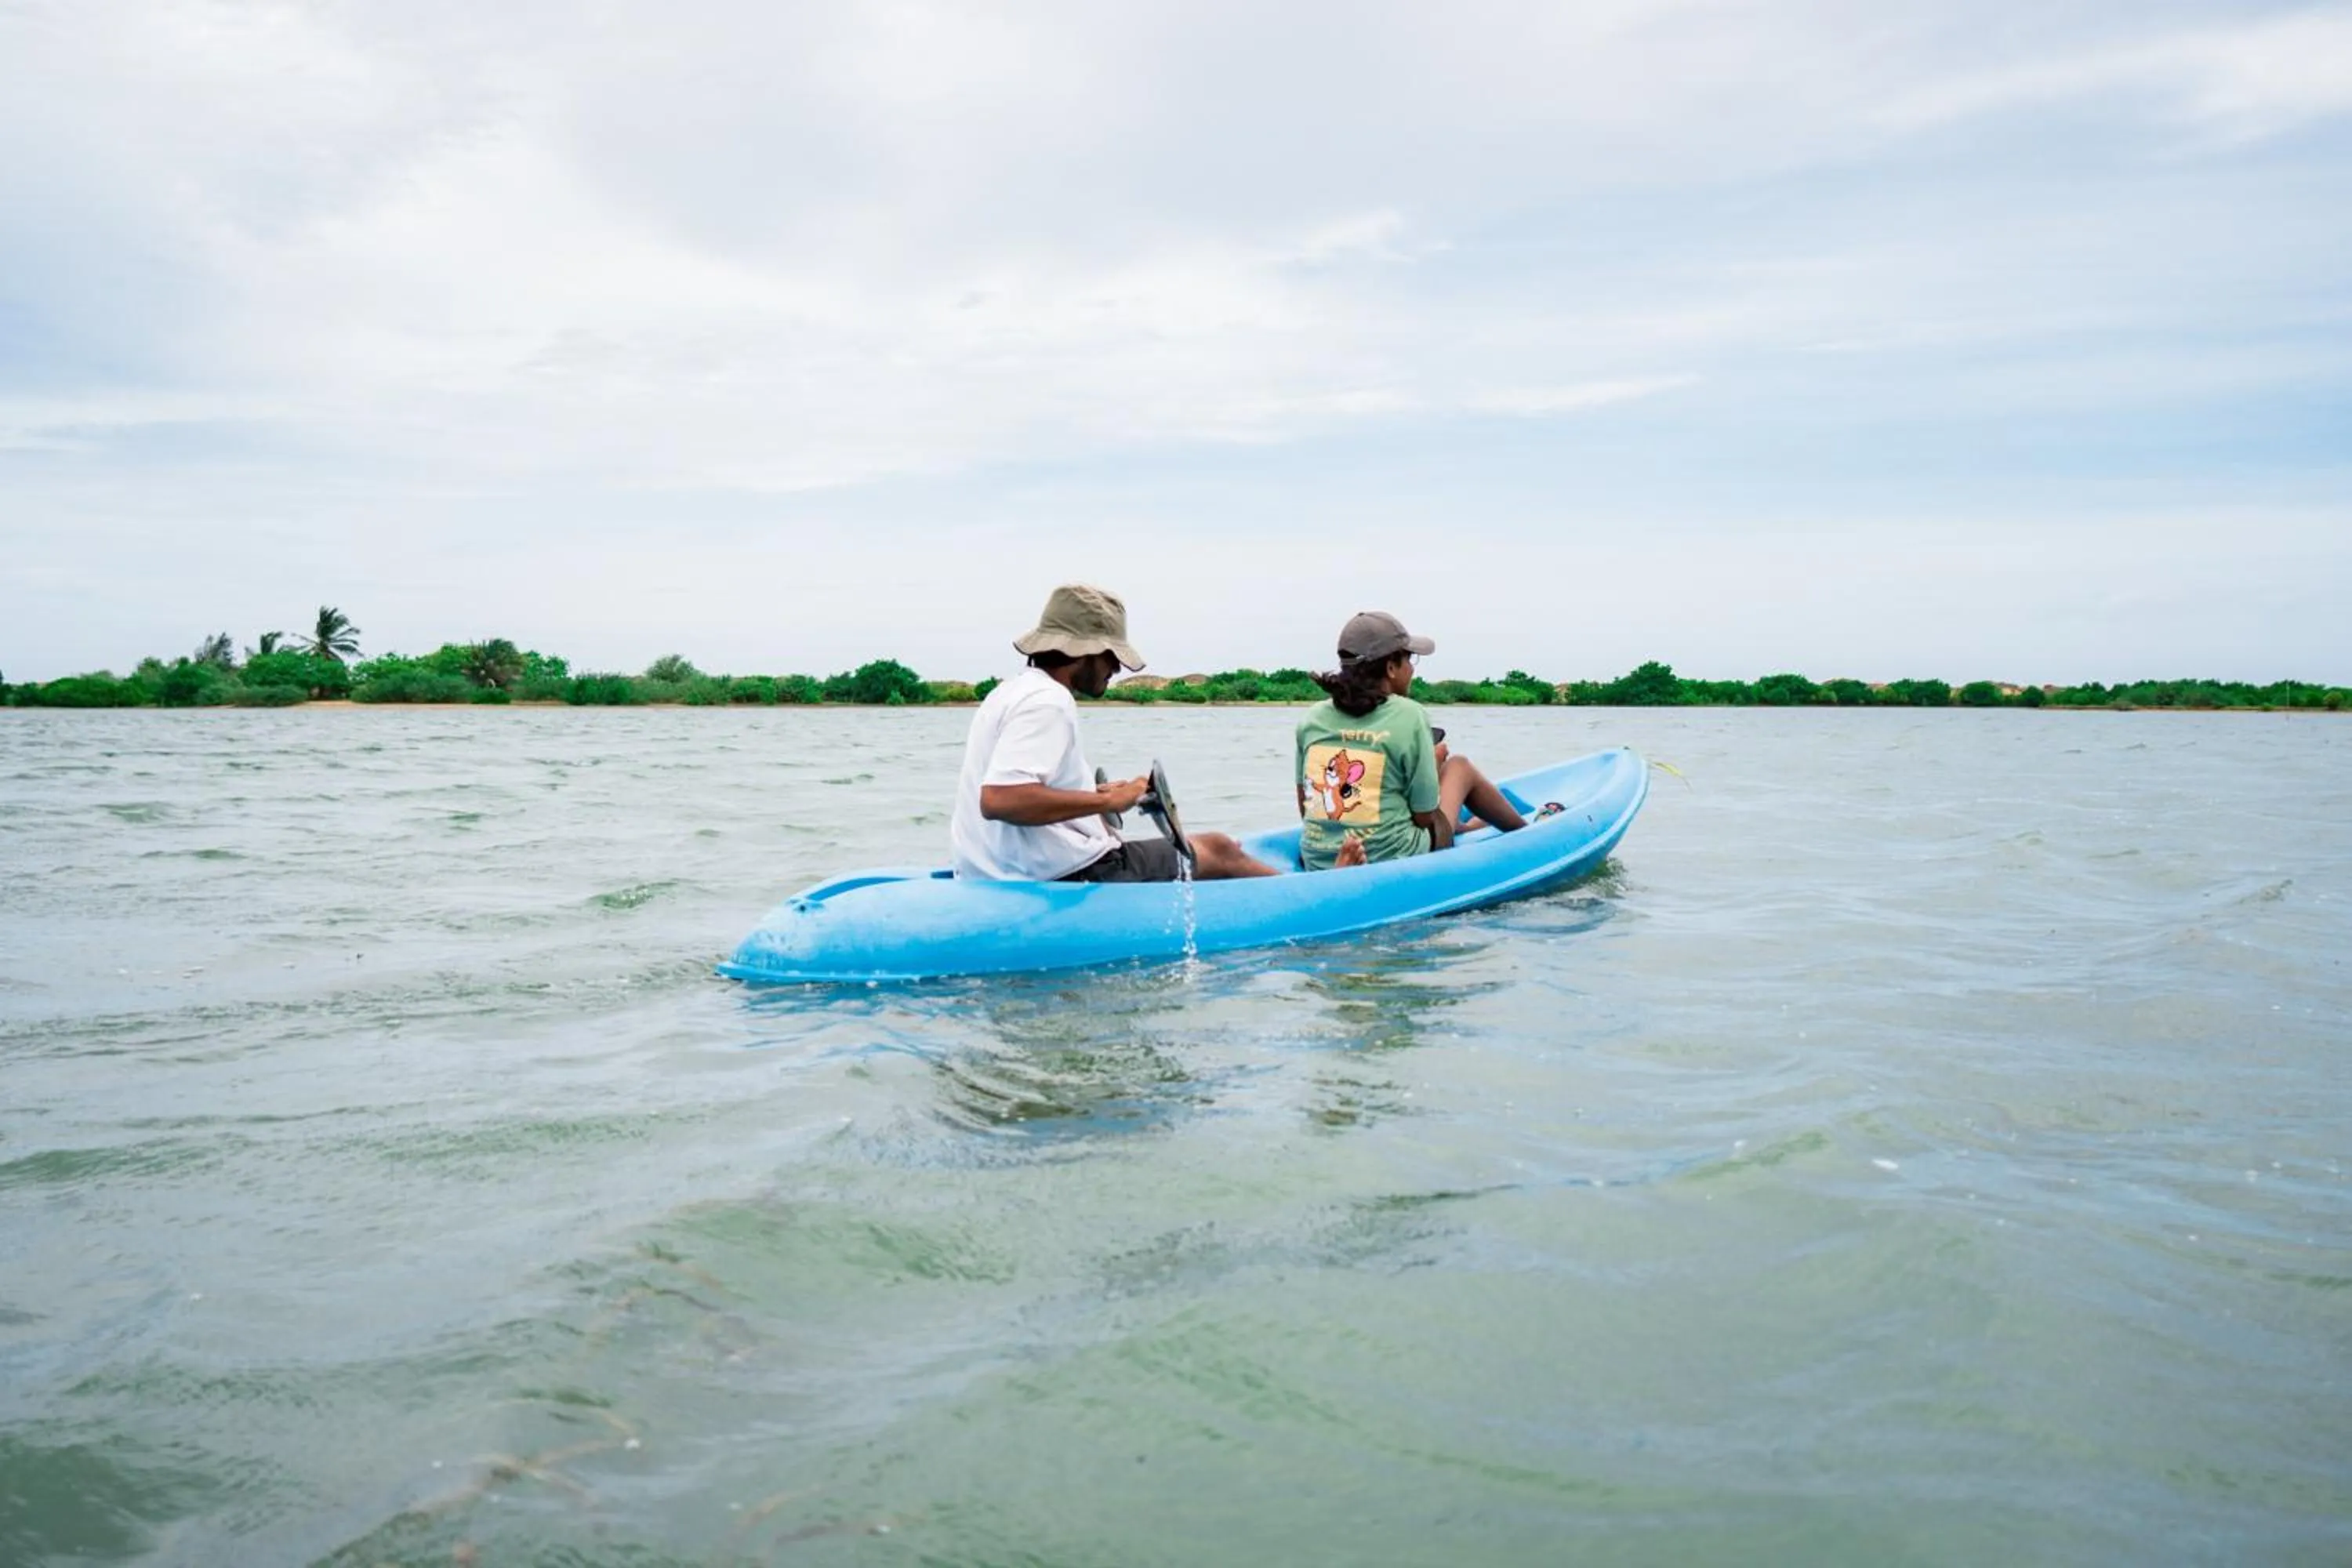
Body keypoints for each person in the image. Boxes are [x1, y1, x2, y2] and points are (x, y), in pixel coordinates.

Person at [952, 585, 1277, 883]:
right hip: (1063, 875)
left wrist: (1088, 793)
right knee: (1220, 849)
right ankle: (1300, 896)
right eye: (1111, 656)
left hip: (990, 871)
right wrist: (1109, 800)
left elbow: (1014, 786)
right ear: (1083, 653)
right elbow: (1000, 800)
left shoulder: (1007, 692)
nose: (1117, 669)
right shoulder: (1050, 701)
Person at [1295, 611, 1536, 870]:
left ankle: (1465, 827)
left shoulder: (1312, 718)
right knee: (1459, 767)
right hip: (1393, 856)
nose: (1412, 669)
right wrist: (1433, 764)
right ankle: (1530, 835)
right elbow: (1424, 816)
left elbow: (1305, 808)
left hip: (1317, 860)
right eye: (1409, 659)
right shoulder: (1409, 714)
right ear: (1391, 668)